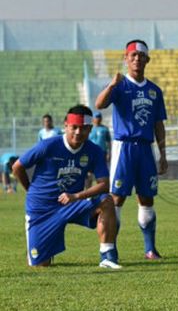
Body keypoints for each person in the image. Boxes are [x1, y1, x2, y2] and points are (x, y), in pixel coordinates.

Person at [12, 105, 120, 268]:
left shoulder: (94, 151)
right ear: (65, 126)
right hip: (42, 209)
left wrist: (76, 196)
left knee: (107, 201)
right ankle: (44, 245)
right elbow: (17, 167)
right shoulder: (48, 146)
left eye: (83, 128)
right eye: (74, 127)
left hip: (72, 204)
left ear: (90, 129)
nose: (78, 132)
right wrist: (30, 190)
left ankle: (108, 256)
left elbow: (104, 185)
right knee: (40, 264)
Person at [95, 39, 168, 260]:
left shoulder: (154, 91)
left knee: (147, 198)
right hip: (123, 147)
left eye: (141, 55)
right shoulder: (120, 86)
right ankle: (110, 250)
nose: (137, 59)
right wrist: (110, 85)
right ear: (126, 59)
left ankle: (150, 249)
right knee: (116, 199)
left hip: (146, 149)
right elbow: (99, 105)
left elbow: (158, 124)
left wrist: (163, 154)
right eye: (132, 55)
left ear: (147, 59)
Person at [86, 111, 112, 188]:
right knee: (89, 173)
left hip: (102, 153)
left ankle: (100, 191)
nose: (98, 119)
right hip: (90, 153)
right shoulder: (89, 128)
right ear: (93, 119)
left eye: (99, 117)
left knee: (101, 173)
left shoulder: (104, 129)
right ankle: (88, 192)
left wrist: (109, 153)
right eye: (96, 117)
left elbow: (108, 142)